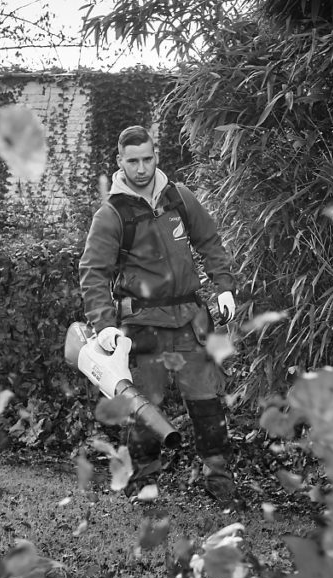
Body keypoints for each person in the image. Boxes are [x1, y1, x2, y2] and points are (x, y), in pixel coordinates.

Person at [78, 125, 238, 501]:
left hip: (190, 323)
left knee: (208, 407)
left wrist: (225, 285)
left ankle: (221, 484)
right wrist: (103, 325)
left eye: (147, 159)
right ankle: (142, 485)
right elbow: (93, 272)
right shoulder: (111, 215)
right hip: (142, 329)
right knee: (145, 413)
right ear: (120, 161)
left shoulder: (179, 198)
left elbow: (210, 241)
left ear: (156, 157)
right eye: (132, 161)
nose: (141, 168)